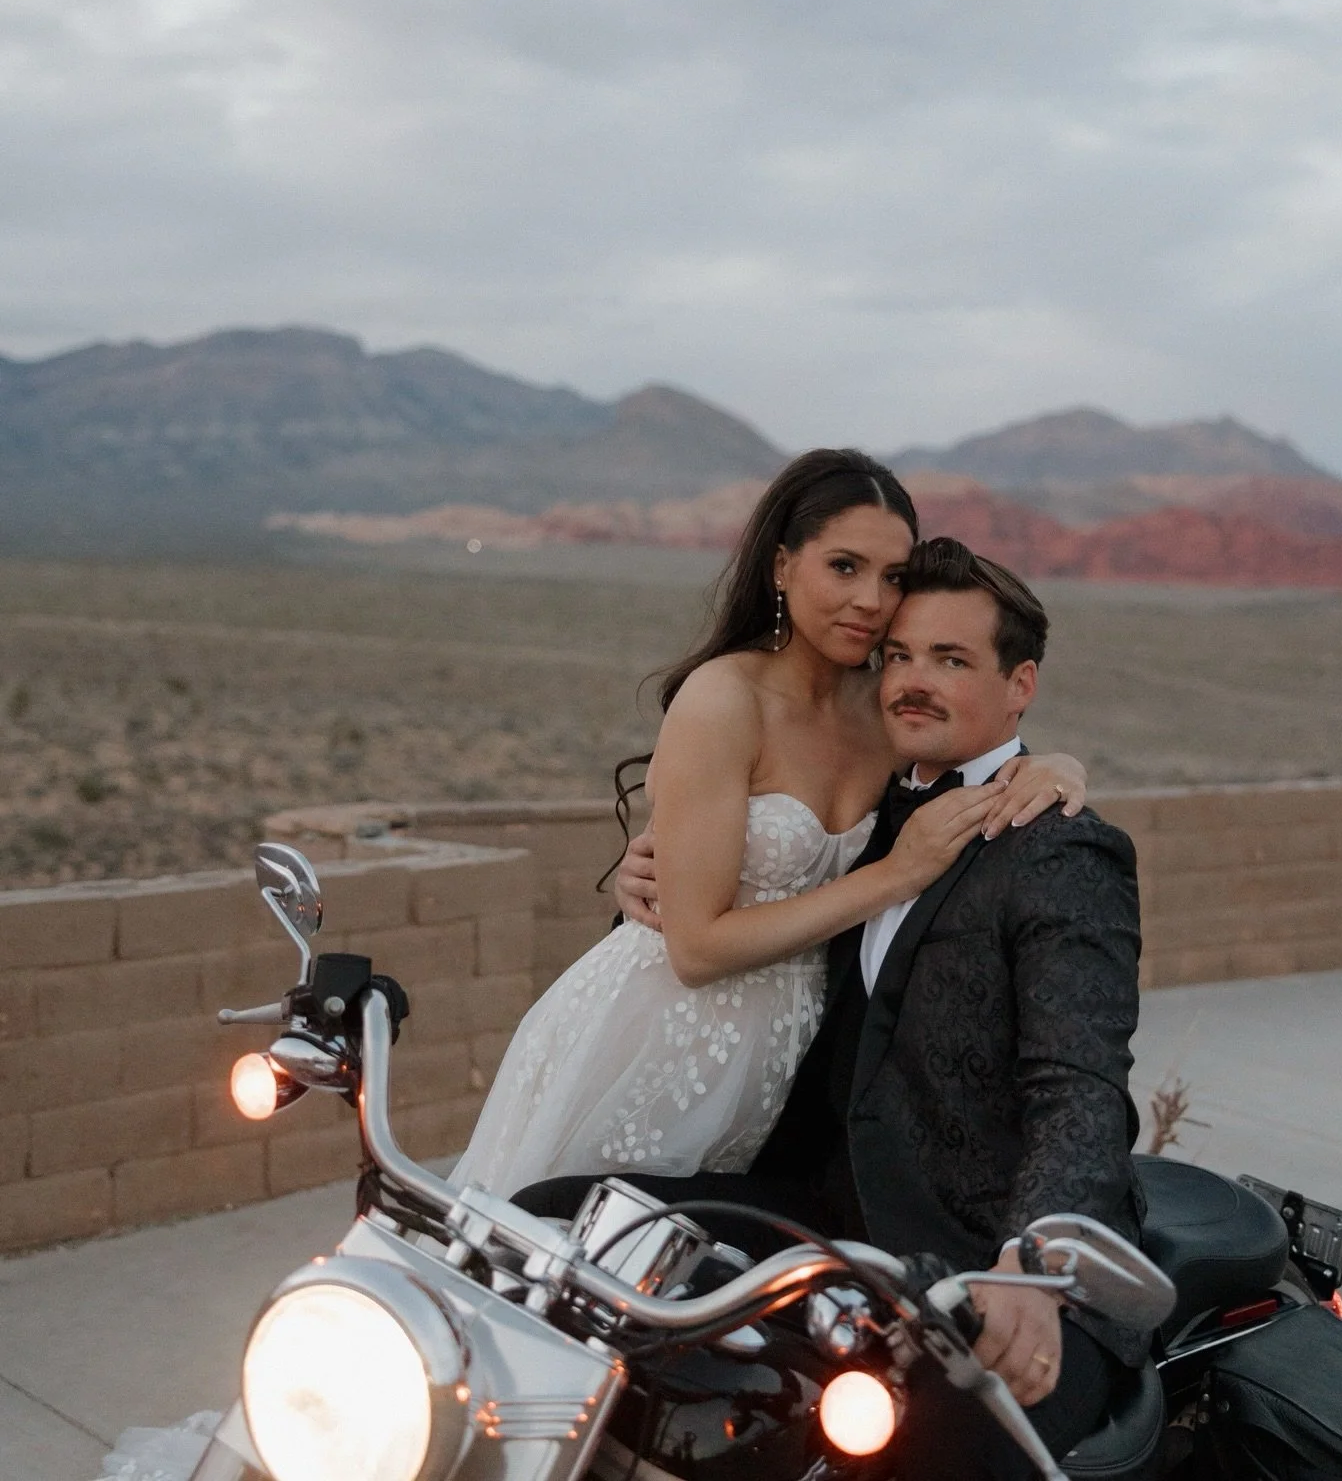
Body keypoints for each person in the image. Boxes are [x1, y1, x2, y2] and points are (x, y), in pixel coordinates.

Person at [517, 537, 1143, 1480]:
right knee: (551, 1228)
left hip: (980, 1258)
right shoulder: (884, 817)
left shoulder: (1059, 854)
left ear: (1021, 686)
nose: (912, 681)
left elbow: (1081, 1087)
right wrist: (655, 883)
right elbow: (760, 893)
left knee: (912, 1458)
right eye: (898, 656)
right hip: (830, 1221)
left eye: (951, 659)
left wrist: (1037, 1257)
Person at [450, 451, 1087, 1199]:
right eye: (844, 567)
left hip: (794, 1067)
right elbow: (694, 947)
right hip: (656, 1044)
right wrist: (896, 875)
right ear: (783, 567)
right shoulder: (725, 701)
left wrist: (1060, 767)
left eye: (893, 577)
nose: (872, 602)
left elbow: (970, 753)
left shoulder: (882, 709)